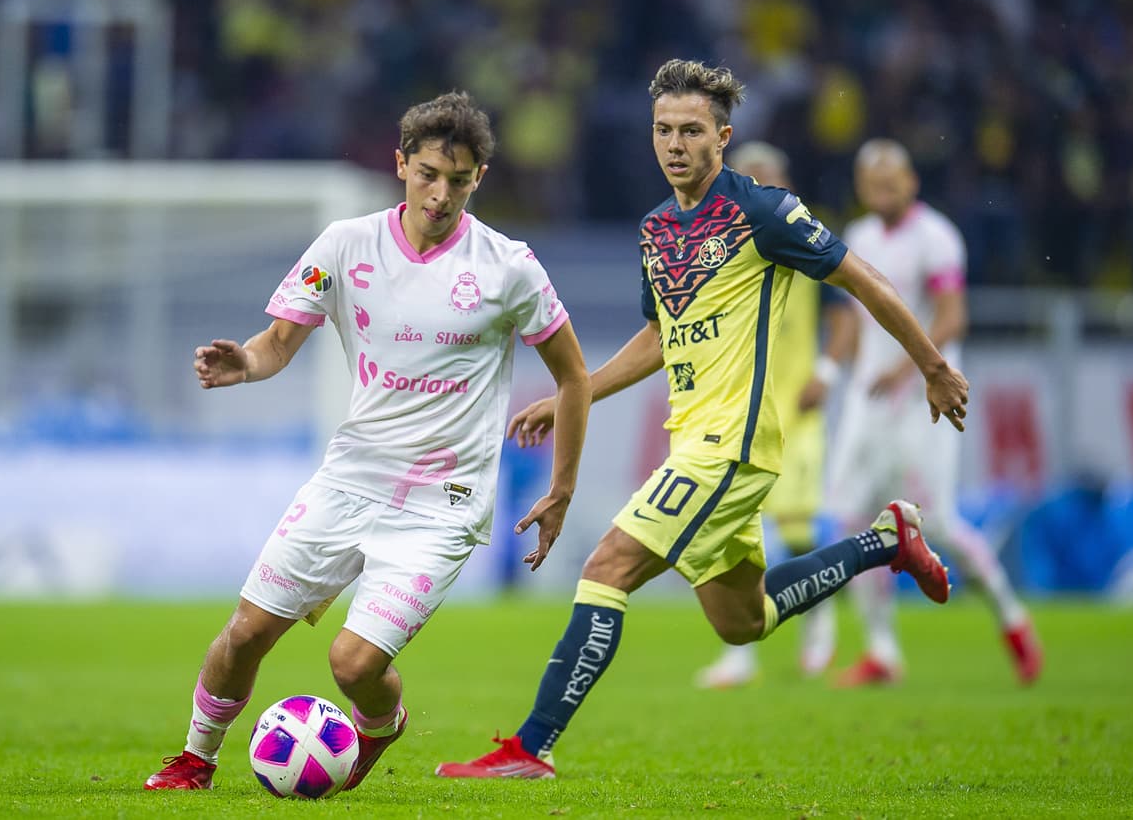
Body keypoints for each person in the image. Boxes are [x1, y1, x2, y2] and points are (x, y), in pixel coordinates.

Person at [434, 59, 969, 780]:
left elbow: (860, 276)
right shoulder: (657, 229)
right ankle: (885, 539)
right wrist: (578, 391)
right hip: (697, 442)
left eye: (691, 130)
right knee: (742, 622)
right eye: (663, 130)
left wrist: (931, 363)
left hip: (733, 444)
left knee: (606, 567)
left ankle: (532, 747)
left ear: (723, 135)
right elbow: (660, 338)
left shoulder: (765, 212)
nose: (675, 144)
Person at [143, 91, 591, 791]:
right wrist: (246, 365)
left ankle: (381, 725)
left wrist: (562, 487)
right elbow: (277, 343)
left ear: (480, 179)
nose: (441, 194)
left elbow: (573, 377)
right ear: (401, 166)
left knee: (353, 664)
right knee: (247, 633)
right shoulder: (343, 246)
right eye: (428, 175)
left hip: (441, 504)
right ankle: (196, 758)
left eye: (460, 179)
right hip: (350, 479)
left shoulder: (510, 267)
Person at [821, 138, 1043, 687]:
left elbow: (953, 315)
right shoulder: (859, 237)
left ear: (912, 183)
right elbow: (850, 316)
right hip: (866, 402)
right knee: (851, 520)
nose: (883, 192)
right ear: (861, 188)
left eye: (892, 182)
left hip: (923, 397)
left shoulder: (937, 236)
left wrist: (909, 367)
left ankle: (1012, 619)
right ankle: (881, 650)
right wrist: (829, 370)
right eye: (873, 184)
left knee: (938, 520)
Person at [693, 141, 856, 689]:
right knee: (732, 529)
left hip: (795, 409)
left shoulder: (805, 238)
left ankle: (820, 626)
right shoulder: (718, 245)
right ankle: (739, 653)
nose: (758, 187)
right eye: (751, 177)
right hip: (739, 410)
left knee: (799, 528)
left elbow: (845, 314)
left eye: (769, 178)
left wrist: (826, 373)